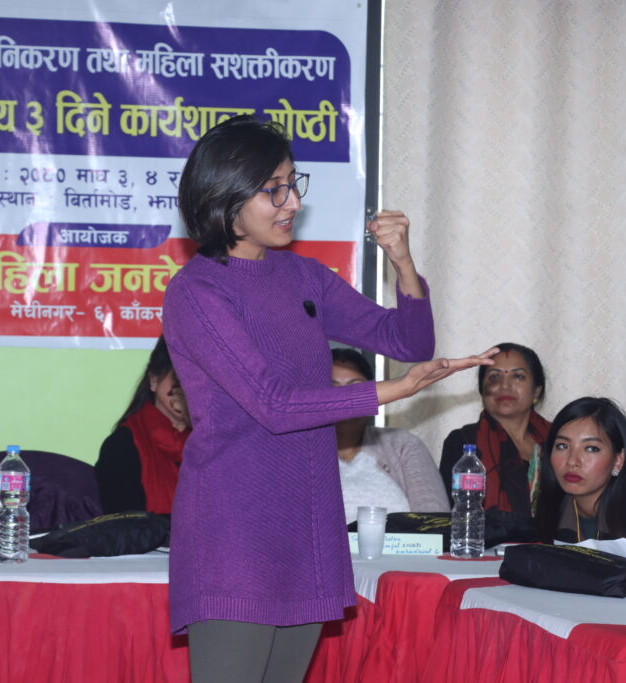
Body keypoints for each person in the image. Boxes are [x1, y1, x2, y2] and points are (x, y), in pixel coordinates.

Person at [162, 114, 495, 682]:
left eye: (294, 183)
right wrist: (391, 389)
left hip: (308, 524)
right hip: (235, 530)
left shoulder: (303, 277)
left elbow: (408, 341)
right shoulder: (197, 291)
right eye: (274, 190)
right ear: (225, 198)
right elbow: (273, 404)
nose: (292, 202)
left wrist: (403, 261)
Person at [331, 348, 448, 523]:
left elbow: (435, 521)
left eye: (355, 388)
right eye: (333, 389)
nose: (345, 399)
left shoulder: (402, 445)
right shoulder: (296, 454)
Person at [438, 343, 550, 516]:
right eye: (494, 377)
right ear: (482, 390)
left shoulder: (557, 441)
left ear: (536, 391)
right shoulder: (463, 442)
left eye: (518, 376)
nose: (504, 385)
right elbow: (450, 512)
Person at [536, 397, 626, 543]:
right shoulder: (552, 504)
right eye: (562, 446)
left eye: (591, 449)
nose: (572, 461)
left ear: (618, 460)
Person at [95, 336, 189, 515]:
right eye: (179, 379)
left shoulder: (216, 444)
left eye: (195, 383)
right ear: (154, 380)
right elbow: (126, 525)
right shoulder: (122, 445)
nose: (186, 390)